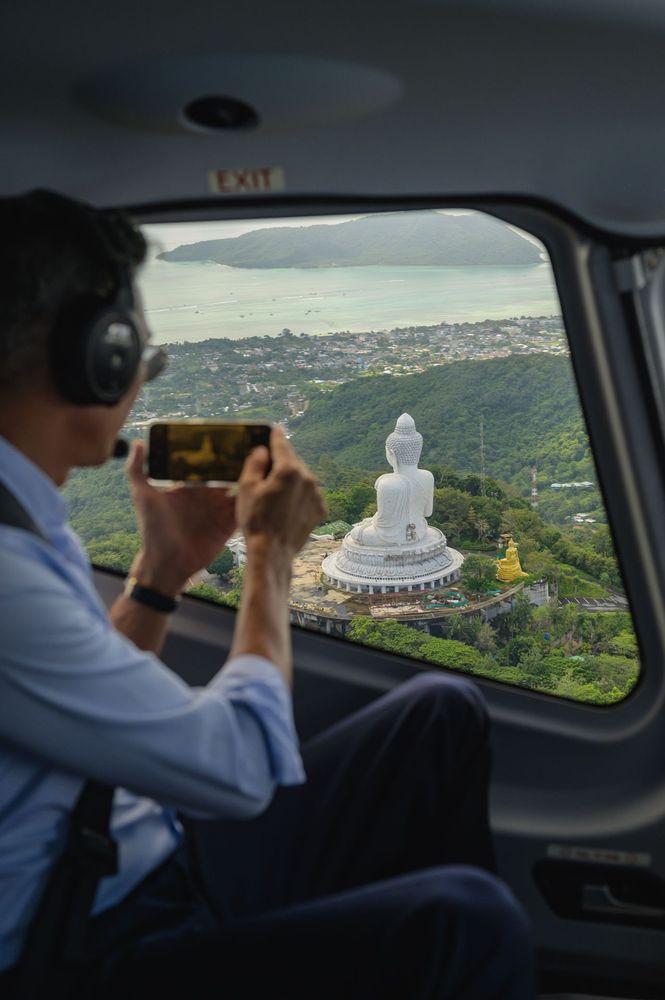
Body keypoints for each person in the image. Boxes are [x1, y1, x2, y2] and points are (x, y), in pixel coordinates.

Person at [0, 190, 536, 999]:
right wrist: (270, 556)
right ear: (96, 352)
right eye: (137, 345)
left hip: (135, 846)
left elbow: (80, 689)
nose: (143, 370)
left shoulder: (28, 523)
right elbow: (242, 767)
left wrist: (160, 573)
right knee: (466, 920)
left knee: (440, 713)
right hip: (92, 934)